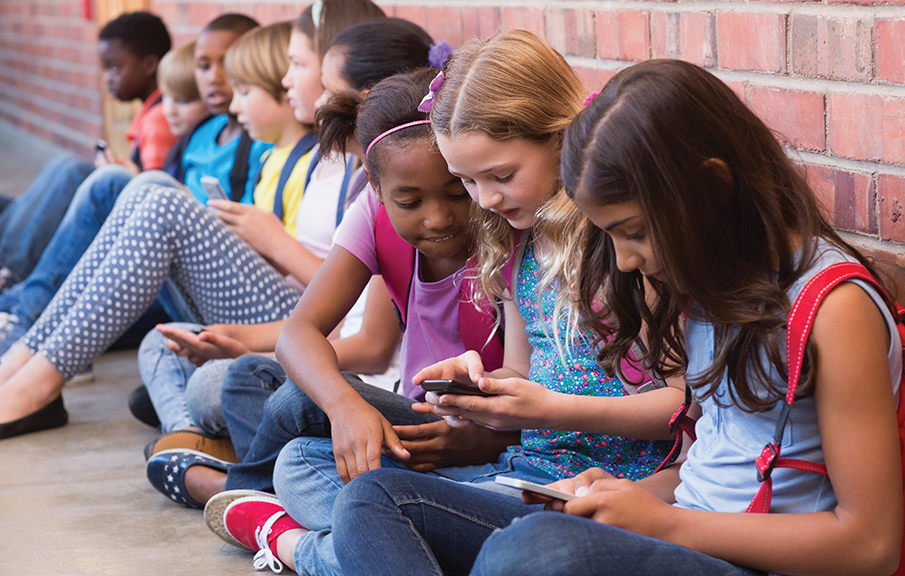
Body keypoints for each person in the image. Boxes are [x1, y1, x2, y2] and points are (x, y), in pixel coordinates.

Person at [336, 58, 905, 576]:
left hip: (746, 556)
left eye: (632, 232)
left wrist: (665, 524)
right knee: (374, 499)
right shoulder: (713, 285)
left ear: (712, 186)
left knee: (532, 552)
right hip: (682, 533)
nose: (627, 260)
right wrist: (619, 500)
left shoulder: (834, 306)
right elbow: (701, 468)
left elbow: (871, 547)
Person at [240, 31, 681, 576]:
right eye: (468, 181)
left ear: (561, 137)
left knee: (371, 502)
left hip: (599, 489)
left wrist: (548, 410)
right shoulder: (521, 241)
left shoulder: (624, 245)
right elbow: (522, 369)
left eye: (499, 176)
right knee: (302, 463)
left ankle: (309, 551)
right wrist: (484, 388)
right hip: (522, 470)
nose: (484, 201)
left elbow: (685, 409)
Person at [0, 21, 323, 445]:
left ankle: (31, 375)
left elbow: (354, 297)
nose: (225, 89)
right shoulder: (276, 156)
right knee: (139, 187)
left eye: (297, 67)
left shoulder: (324, 162)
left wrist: (270, 240)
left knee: (155, 200)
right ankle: (18, 366)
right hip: (261, 305)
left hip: (295, 322)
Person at [140, 16, 434, 509]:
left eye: (324, 85)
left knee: (247, 389)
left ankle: (243, 486)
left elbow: (374, 347)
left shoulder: (404, 208)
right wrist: (248, 344)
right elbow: (307, 329)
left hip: (388, 392)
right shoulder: (374, 200)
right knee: (202, 364)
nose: (318, 102)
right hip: (357, 383)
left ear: (368, 101)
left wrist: (275, 248)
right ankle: (217, 450)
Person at [0, 11, 177, 303]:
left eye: (115, 68)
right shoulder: (148, 115)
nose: (107, 79)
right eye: (104, 69)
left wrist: (120, 174)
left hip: (130, 231)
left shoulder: (159, 120)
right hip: (124, 214)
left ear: (150, 64)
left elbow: (156, 194)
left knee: (74, 170)